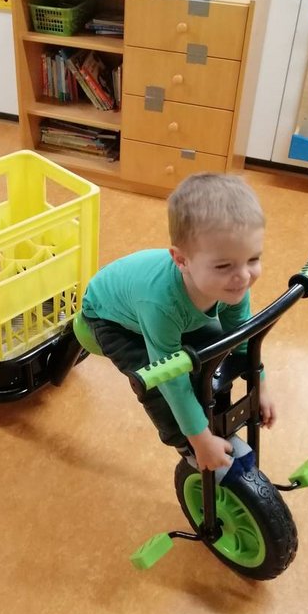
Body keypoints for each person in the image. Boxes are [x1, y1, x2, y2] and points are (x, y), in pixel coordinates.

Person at [81, 172, 275, 473]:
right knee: (157, 382)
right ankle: (188, 444)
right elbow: (170, 379)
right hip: (109, 317)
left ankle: (213, 420)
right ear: (182, 260)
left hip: (170, 312)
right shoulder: (161, 304)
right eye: (224, 265)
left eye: (253, 259)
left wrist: (259, 386)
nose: (243, 276)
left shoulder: (233, 283)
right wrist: (199, 440)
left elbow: (240, 339)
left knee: (216, 352)